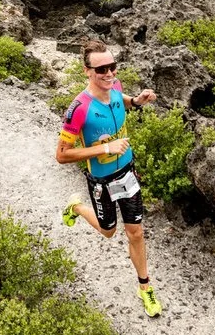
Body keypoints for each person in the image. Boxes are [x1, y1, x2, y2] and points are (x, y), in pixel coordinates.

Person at [56, 40, 162, 317]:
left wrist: (136, 101)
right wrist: (105, 148)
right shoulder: (79, 108)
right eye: (101, 68)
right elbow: (62, 155)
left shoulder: (115, 87)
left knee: (135, 232)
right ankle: (76, 208)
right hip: (101, 182)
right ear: (87, 71)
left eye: (112, 66)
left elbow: (120, 100)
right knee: (108, 232)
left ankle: (145, 286)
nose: (109, 73)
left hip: (127, 172)